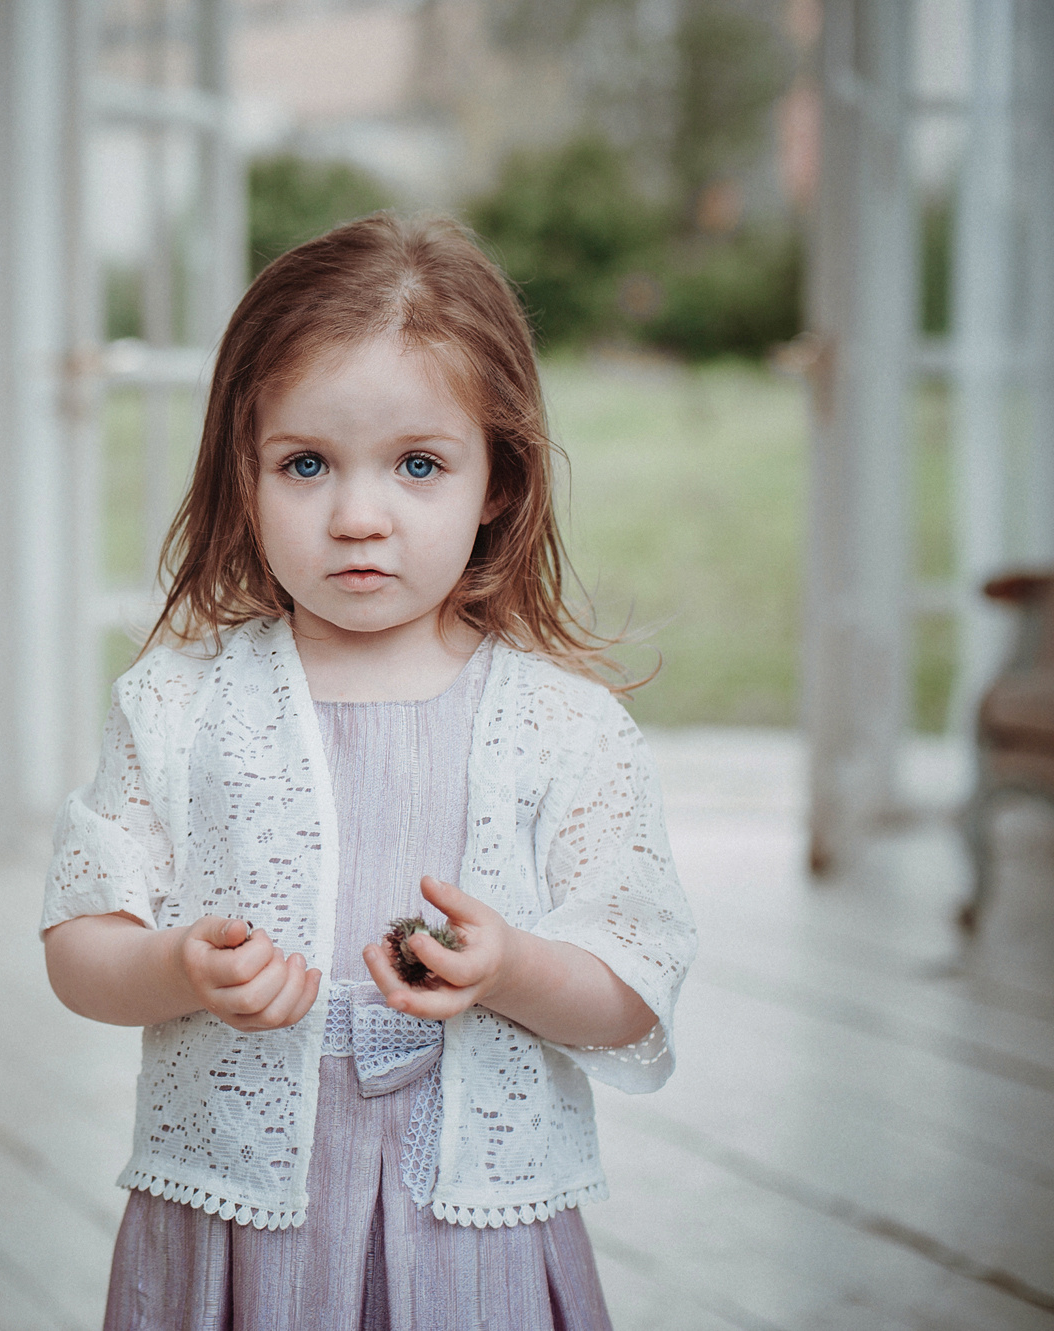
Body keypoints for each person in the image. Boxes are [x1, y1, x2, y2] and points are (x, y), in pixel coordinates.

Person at [40, 212, 697, 1330]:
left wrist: (512, 966)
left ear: (498, 479)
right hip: (238, 1229)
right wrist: (175, 964)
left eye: (417, 465)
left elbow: (632, 987)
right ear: (243, 474)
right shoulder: (179, 705)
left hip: (472, 1237)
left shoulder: (562, 727)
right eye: (304, 464)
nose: (355, 517)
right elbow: (78, 945)